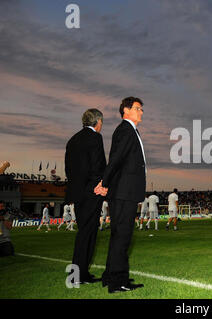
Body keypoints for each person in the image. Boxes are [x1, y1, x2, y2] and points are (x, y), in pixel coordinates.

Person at [94, 96, 146, 293]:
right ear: (126, 110)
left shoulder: (130, 131)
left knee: (119, 236)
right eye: (138, 108)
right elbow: (115, 159)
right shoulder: (125, 130)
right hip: (124, 192)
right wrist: (104, 182)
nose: (141, 112)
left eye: (141, 109)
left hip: (125, 191)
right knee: (122, 237)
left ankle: (112, 276)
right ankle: (118, 282)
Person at [65, 108, 106, 284]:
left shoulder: (73, 140)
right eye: (101, 122)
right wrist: (102, 185)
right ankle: (78, 275)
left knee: (85, 232)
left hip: (77, 193)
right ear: (97, 122)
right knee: (87, 234)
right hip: (91, 192)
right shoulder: (95, 137)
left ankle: (81, 273)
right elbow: (98, 165)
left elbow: (69, 169)